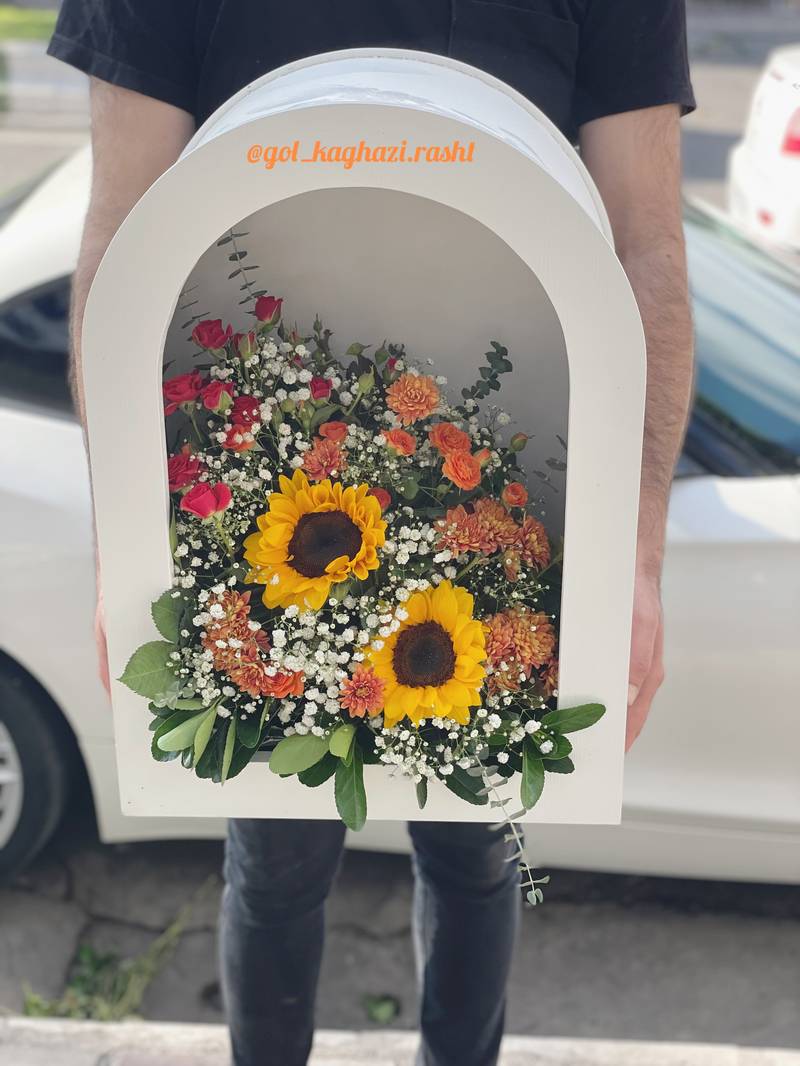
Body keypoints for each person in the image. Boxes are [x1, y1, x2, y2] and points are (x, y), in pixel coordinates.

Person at [47, 4, 696, 1064]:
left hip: (502, 501)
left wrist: (636, 553)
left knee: (479, 852)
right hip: (263, 490)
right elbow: (123, 240)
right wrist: (126, 547)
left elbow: (645, 247)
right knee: (275, 858)